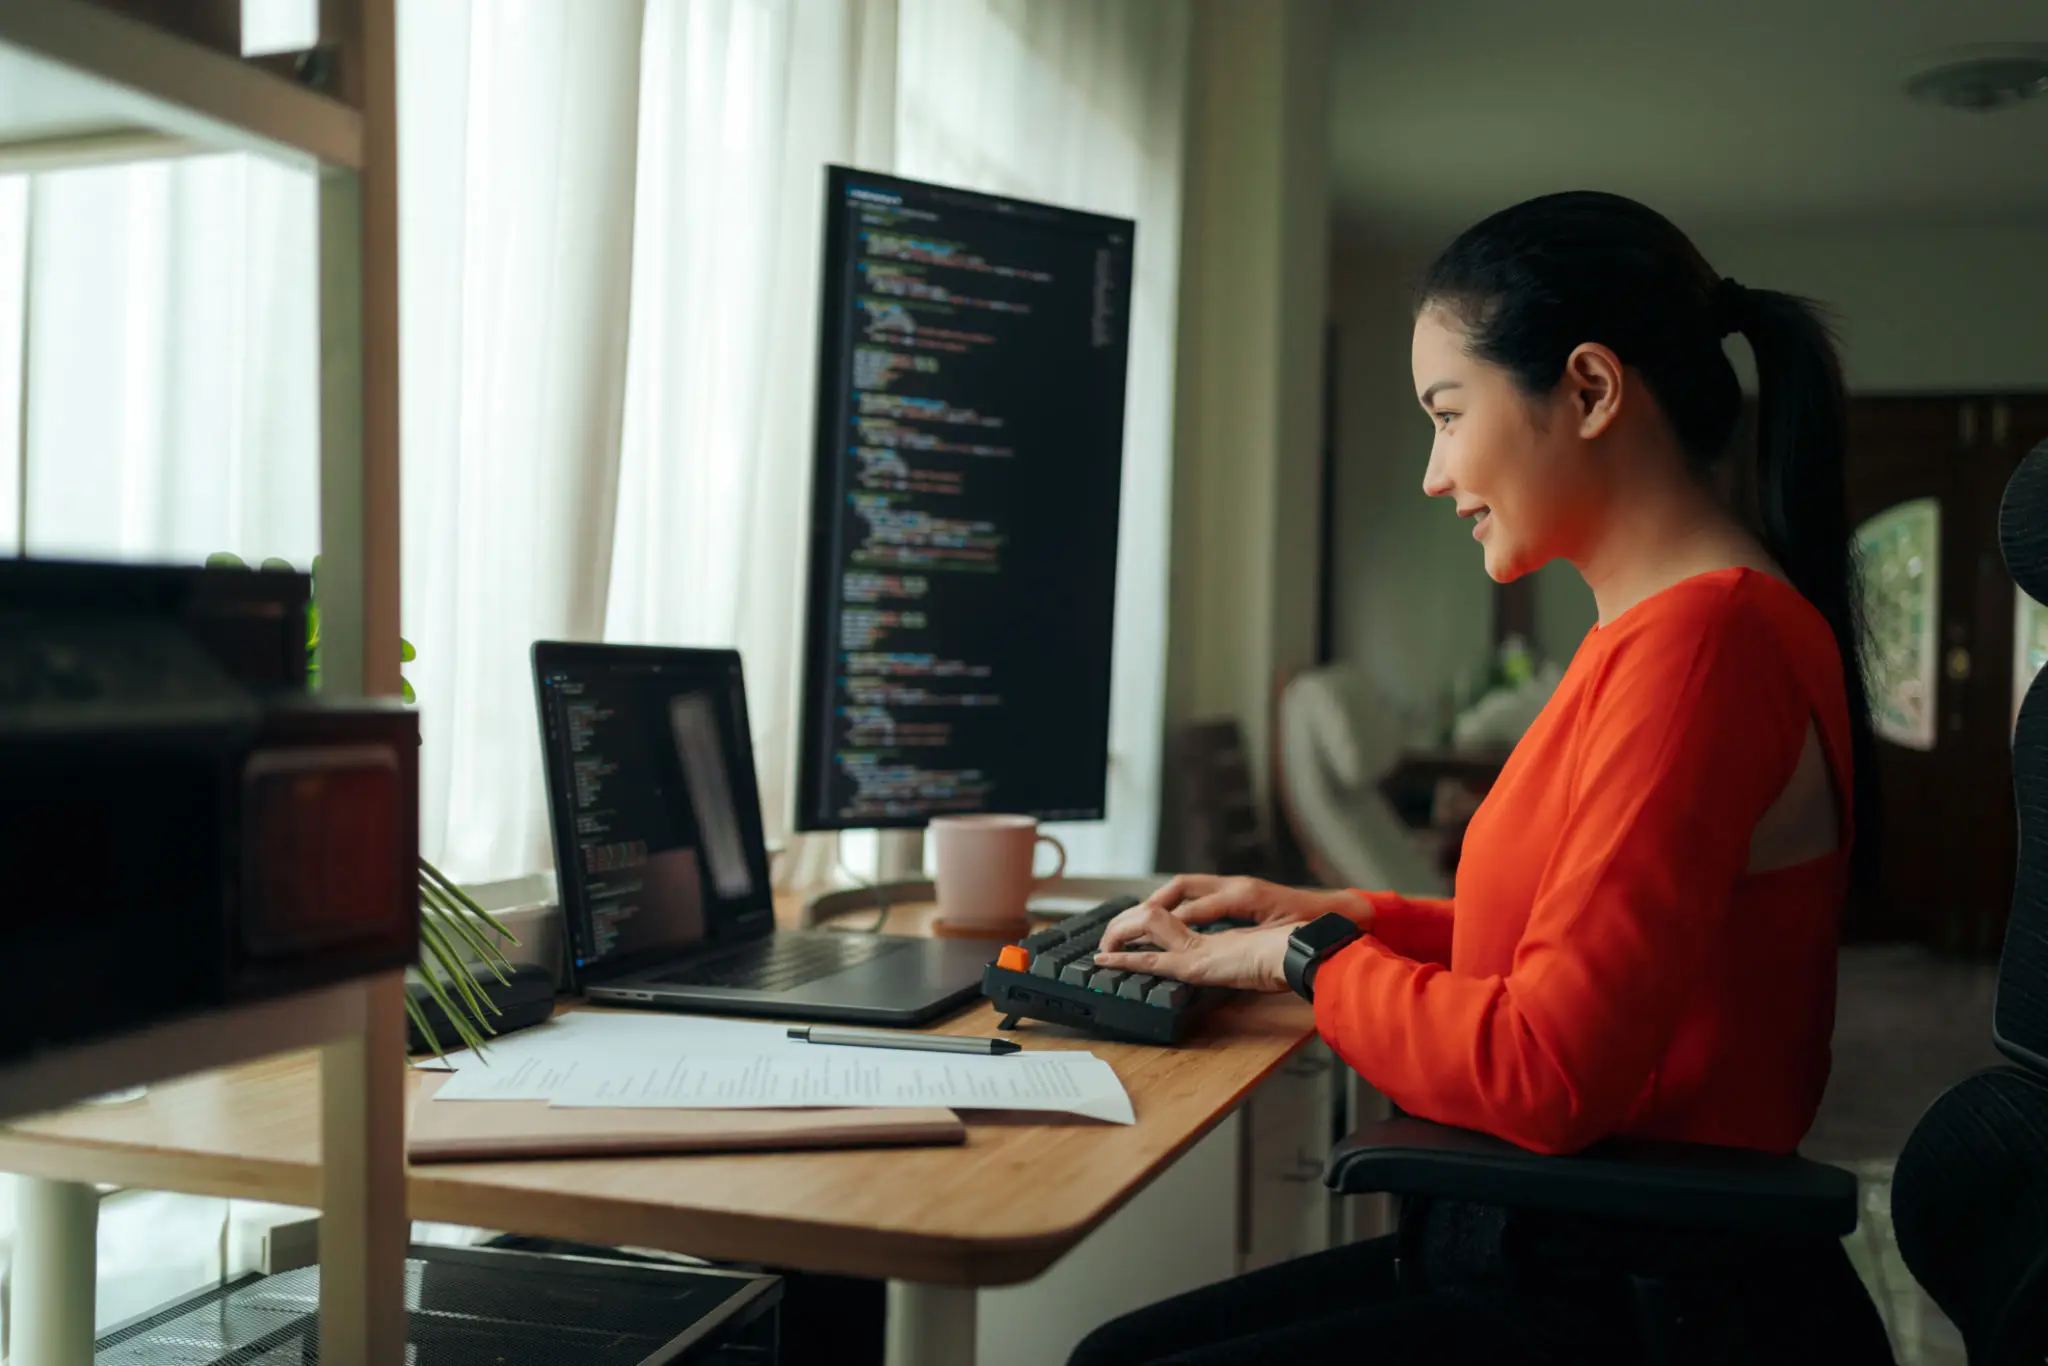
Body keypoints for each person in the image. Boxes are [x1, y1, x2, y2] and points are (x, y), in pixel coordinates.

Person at [1068, 190, 1894, 1366]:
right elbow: (1568, 944)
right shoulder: (1676, 629)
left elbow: (1548, 1067)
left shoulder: (1700, 645)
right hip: (1586, 1241)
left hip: (1628, 1287)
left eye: (1447, 414)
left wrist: (1302, 965)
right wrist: (1338, 917)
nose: (1431, 470)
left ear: (1591, 391)